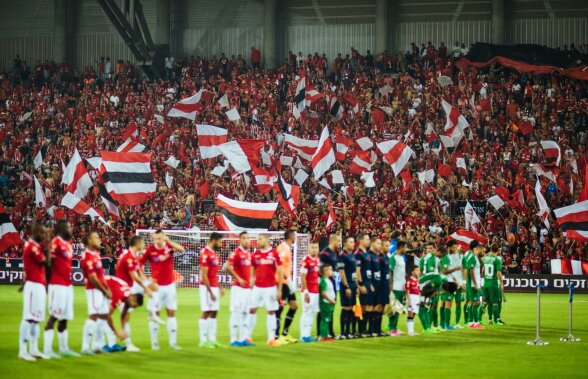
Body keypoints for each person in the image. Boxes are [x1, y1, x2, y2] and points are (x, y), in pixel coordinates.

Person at [139, 230, 185, 350]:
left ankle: (173, 343)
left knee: (171, 312)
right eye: (155, 239)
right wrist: (146, 281)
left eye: (159, 238)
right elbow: (139, 265)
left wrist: (168, 240)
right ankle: (154, 343)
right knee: (155, 313)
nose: (157, 241)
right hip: (156, 288)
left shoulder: (169, 246)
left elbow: (181, 249)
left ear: (163, 237)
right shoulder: (150, 250)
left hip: (170, 285)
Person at [44, 220, 79, 358]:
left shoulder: (68, 244)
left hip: (67, 285)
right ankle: (47, 349)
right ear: (61, 229)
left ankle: (64, 348)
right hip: (56, 285)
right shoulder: (56, 243)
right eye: (69, 227)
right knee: (54, 316)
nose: (71, 228)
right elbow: (48, 263)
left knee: (65, 318)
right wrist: (47, 284)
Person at [114, 235, 153, 352]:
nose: (144, 245)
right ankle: (127, 344)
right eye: (143, 243)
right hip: (120, 290)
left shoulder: (131, 256)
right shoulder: (129, 256)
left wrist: (147, 284)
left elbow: (138, 273)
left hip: (123, 289)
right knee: (123, 316)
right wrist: (146, 288)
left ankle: (118, 342)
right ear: (137, 244)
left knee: (125, 316)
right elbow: (134, 276)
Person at [246, 234, 284, 346]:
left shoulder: (274, 254)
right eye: (257, 239)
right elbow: (252, 269)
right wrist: (251, 282)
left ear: (267, 240)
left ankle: (271, 339)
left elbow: (280, 271)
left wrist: (279, 289)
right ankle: (247, 337)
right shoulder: (255, 255)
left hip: (271, 287)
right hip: (257, 287)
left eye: (260, 239)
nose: (258, 241)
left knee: (271, 311)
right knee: (252, 310)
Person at [19, 223, 50, 361]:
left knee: (36, 319)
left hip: (38, 285)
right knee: (28, 318)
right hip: (33, 285)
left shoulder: (35, 246)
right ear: (36, 232)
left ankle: (33, 349)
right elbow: (45, 262)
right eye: (42, 233)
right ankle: (23, 350)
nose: (44, 236)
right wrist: (50, 246)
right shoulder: (31, 246)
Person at [80, 232, 111, 355]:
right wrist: (104, 290)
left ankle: (97, 345)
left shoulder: (96, 254)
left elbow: (100, 275)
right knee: (93, 315)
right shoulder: (87, 255)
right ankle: (85, 346)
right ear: (89, 240)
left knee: (103, 316)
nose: (99, 240)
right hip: (94, 290)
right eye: (96, 238)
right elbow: (92, 278)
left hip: (101, 290)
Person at [225, 231, 253, 347]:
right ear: (240, 240)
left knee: (245, 313)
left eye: (248, 238)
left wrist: (251, 279)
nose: (246, 240)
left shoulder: (249, 254)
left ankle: (243, 339)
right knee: (236, 313)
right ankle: (233, 339)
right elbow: (227, 266)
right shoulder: (236, 253)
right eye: (244, 238)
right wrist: (238, 278)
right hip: (238, 288)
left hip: (247, 288)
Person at [198, 232, 224, 348]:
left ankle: (212, 339)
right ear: (213, 240)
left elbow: (214, 273)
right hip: (206, 287)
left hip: (214, 286)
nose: (221, 244)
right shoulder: (205, 253)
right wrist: (210, 291)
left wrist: (219, 287)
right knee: (206, 311)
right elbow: (204, 275)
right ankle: (203, 340)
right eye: (220, 241)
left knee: (214, 311)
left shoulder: (214, 253)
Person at [103, 276, 143, 347]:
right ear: (133, 298)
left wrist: (123, 330)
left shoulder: (128, 297)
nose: (133, 307)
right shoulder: (120, 295)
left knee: (102, 315)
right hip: (98, 285)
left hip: (108, 286)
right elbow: (108, 315)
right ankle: (105, 344)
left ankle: (110, 344)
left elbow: (124, 314)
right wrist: (117, 333)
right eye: (134, 305)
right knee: (100, 316)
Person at [275, 229, 297, 344]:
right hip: (282, 282)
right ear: (291, 236)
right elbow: (279, 265)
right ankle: (276, 336)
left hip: (287, 282)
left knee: (294, 305)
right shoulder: (284, 248)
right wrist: (286, 279)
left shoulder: (287, 247)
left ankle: (285, 333)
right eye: (294, 235)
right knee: (280, 308)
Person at [318, 234, 340, 338]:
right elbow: (320, 269)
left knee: (331, 308)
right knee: (323, 309)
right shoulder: (325, 253)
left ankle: (330, 332)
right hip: (326, 284)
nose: (340, 243)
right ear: (332, 241)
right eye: (338, 241)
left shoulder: (333, 253)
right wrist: (324, 282)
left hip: (333, 284)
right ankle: (320, 333)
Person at [337, 236, 358, 339]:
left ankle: (349, 331)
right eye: (350, 242)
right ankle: (343, 332)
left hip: (353, 284)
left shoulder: (352, 256)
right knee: (346, 308)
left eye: (353, 242)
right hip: (347, 285)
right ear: (345, 244)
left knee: (352, 308)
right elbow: (341, 272)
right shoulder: (342, 256)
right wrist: (346, 286)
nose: (353, 244)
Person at [299, 241, 320, 343]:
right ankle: (303, 335)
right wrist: (306, 292)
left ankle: (307, 335)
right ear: (308, 248)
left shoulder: (317, 260)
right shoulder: (305, 260)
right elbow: (303, 277)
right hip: (308, 292)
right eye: (312, 247)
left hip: (316, 291)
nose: (314, 249)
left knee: (311, 313)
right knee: (306, 312)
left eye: (316, 247)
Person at [482, 244, 506, 325]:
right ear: (498, 250)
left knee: (488, 302)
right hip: (495, 283)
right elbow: (499, 272)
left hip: (486, 281)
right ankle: (497, 319)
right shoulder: (498, 259)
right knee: (497, 302)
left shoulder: (486, 258)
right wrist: (502, 284)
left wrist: (489, 252)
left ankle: (489, 319)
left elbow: (482, 270)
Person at [354, 233, 372, 337]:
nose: (368, 241)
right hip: (363, 283)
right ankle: (360, 330)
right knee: (363, 307)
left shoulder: (367, 254)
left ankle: (365, 329)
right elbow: (357, 270)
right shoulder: (358, 254)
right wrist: (360, 285)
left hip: (369, 283)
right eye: (366, 239)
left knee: (368, 307)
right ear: (360, 240)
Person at [419, 242, 440, 330]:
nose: (429, 250)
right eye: (428, 248)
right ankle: (428, 326)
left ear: (434, 249)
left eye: (431, 248)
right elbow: (420, 273)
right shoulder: (423, 259)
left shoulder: (437, 259)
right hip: (426, 285)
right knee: (427, 306)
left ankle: (434, 325)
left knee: (434, 305)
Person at [388, 240, 407, 336]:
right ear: (401, 247)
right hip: (395, 286)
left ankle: (395, 327)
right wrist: (390, 286)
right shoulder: (393, 258)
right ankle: (391, 328)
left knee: (399, 308)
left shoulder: (401, 258)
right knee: (393, 308)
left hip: (402, 286)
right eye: (405, 247)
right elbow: (390, 272)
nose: (406, 249)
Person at [465, 241, 485, 329]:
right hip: (473, 284)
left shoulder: (476, 257)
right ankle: (475, 323)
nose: (482, 252)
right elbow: (471, 271)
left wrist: (480, 255)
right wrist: (475, 284)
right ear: (475, 249)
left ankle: (471, 322)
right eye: (480, 250)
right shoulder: (472, 258)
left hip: (475, 283)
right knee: (475, 303)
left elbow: (482, 264)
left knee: (474, 303)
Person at [447, 240, 465, 328]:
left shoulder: (462, 257)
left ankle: (457, 323)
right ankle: (447, 323)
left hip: (460, 284)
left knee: (458, 303)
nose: (455, 249)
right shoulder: (447, 257)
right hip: (450, 283)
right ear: (450, 248)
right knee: (448, 303)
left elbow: (464, 270)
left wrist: (463, 282)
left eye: (456, 247)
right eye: (453, 247)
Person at [367, 237, 382, 336]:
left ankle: (377, 329)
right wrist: (369, 284)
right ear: (372, 244)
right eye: (378, 243)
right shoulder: (368, 255)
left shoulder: (379, 256)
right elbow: (366, 271)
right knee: (370, 307)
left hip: (379, 284)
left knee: (379, 307)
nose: (379, 245)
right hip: (371, 284)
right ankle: (370, 330)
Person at [318, 264, 336, 342]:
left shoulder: (328, 280)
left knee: (328, 319)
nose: (332, 272)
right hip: (325, 303)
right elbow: (323, 292)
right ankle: (322, 336)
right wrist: (330, 300)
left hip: (329, 303)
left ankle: (327, 335)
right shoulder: (323, 280)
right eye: (330, 270)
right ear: (325, 271)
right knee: (325, 319)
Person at [405, 265, 422, 336]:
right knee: (410, 314)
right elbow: (407, 291)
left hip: (416, 298)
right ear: (412, 272)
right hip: (411, 298)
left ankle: (411, 329)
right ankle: (410, 331)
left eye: (418, 270)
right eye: (416, 270)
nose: (418, 272)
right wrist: (409, 301)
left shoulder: (417, 281)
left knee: (414, 314)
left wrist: (420, 299)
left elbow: (419, 290)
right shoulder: (409, 280)